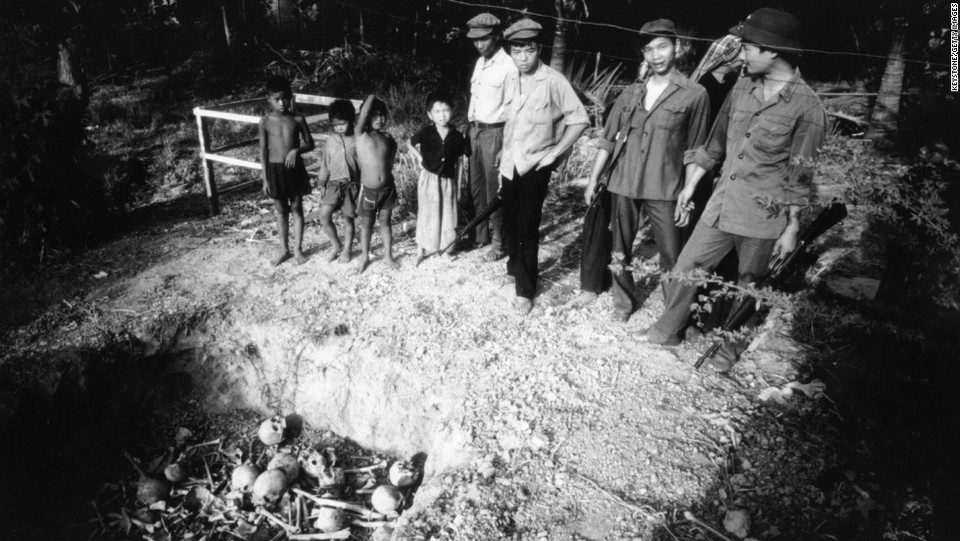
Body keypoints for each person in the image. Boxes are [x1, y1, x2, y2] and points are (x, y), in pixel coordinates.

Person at [641, 8, 828, 372]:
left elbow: (799, 175)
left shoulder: (808, 108)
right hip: (722, 202)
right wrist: (691, 185)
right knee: (687, 265)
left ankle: (728, 352)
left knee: (749, 286)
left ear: (772, 50)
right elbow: (714, 146)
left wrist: (791, 227)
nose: (740, 53)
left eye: (747, 47)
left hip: (764, 216)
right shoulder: (742, 85)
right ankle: (667, 330)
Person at [581, 19, 711, 322]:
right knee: (620, 249)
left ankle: (673, 314)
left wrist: (687, 190)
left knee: (671, 254)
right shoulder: (630, 93)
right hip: (623, 182)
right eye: (649, 49)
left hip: (665, 187)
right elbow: (608, 140)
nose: (656, 55)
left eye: (663, 47)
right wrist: (592, 180)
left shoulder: (695, 94)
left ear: (677, 47)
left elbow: (696, 150)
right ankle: (623, 304)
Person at [499, 18, 590, 316]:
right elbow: (511, 124)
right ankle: (513, 269)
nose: (523, 58)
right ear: (510, 51)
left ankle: (525, 290)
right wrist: (502, 156)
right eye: (517, 51)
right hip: (510, 164)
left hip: (535, 166)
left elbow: (579, 120)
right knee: (510, 222)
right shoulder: (511, 78)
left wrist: (555, 155)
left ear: (539, 49)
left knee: (527, 227)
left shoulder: (553, 80)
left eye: (529, 50)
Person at [465, 12, 516, 261]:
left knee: (495, 189)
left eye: (484, 39)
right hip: (475, 130)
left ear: (497, 36)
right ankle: (480, 235)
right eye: (475, 40)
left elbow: (512, 111)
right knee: (476, 187)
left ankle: (498, 243)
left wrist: (504, 145)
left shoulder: (508, 67)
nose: (479, 44)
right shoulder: (480, 62)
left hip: (495, 132)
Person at [407, 92, 470, 265]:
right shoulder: (427, 132)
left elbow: (460, 164)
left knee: (447, 215)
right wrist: (419, 158)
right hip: (429, 179)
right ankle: (421, 249)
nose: (442, 115)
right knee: (427, 213)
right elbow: (409, 143)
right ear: (430, 114)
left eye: (445, 110)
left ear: (452, 112)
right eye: (437, 111)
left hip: (448, 181)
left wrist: (458, 188)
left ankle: (444, 249)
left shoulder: (456, 136)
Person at [258, 75, 315, 266]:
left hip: (295, 169)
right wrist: (265, 179)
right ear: (269, 99)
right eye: (277, 99)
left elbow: (311, 144)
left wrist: (296, 150)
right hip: (274, 170)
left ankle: (298, 249)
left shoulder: (298, 119)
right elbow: (263, 151)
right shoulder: (265, 121)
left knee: (297, 208)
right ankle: (284, 249)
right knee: (281, 211)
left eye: (285, 98)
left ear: (290, 97)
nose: (282, 103)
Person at [354, 94, 399, 274]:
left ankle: (388, 256)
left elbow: (392, 154)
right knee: (367, 224)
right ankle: (365, 256)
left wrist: (386, 171)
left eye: (382, 115)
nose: (380, 119)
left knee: (385, 223)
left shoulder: (387, 137)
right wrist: (371, 96)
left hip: (388, 190)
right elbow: (363, 113)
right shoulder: (361, 135)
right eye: (375, 115)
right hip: (370, 192)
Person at [316, 99, 360, 264]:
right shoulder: (330, 141)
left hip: (352, 185)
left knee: (348, 219)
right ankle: (336, 244)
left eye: (343, 123)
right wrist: (321, 184)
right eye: (335, 124)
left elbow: (363, 163)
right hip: (334, 185)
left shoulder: (357, 139)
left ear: (351, 120)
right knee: (324, 216)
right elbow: (325, 164)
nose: (339, 127)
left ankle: (347, 249)